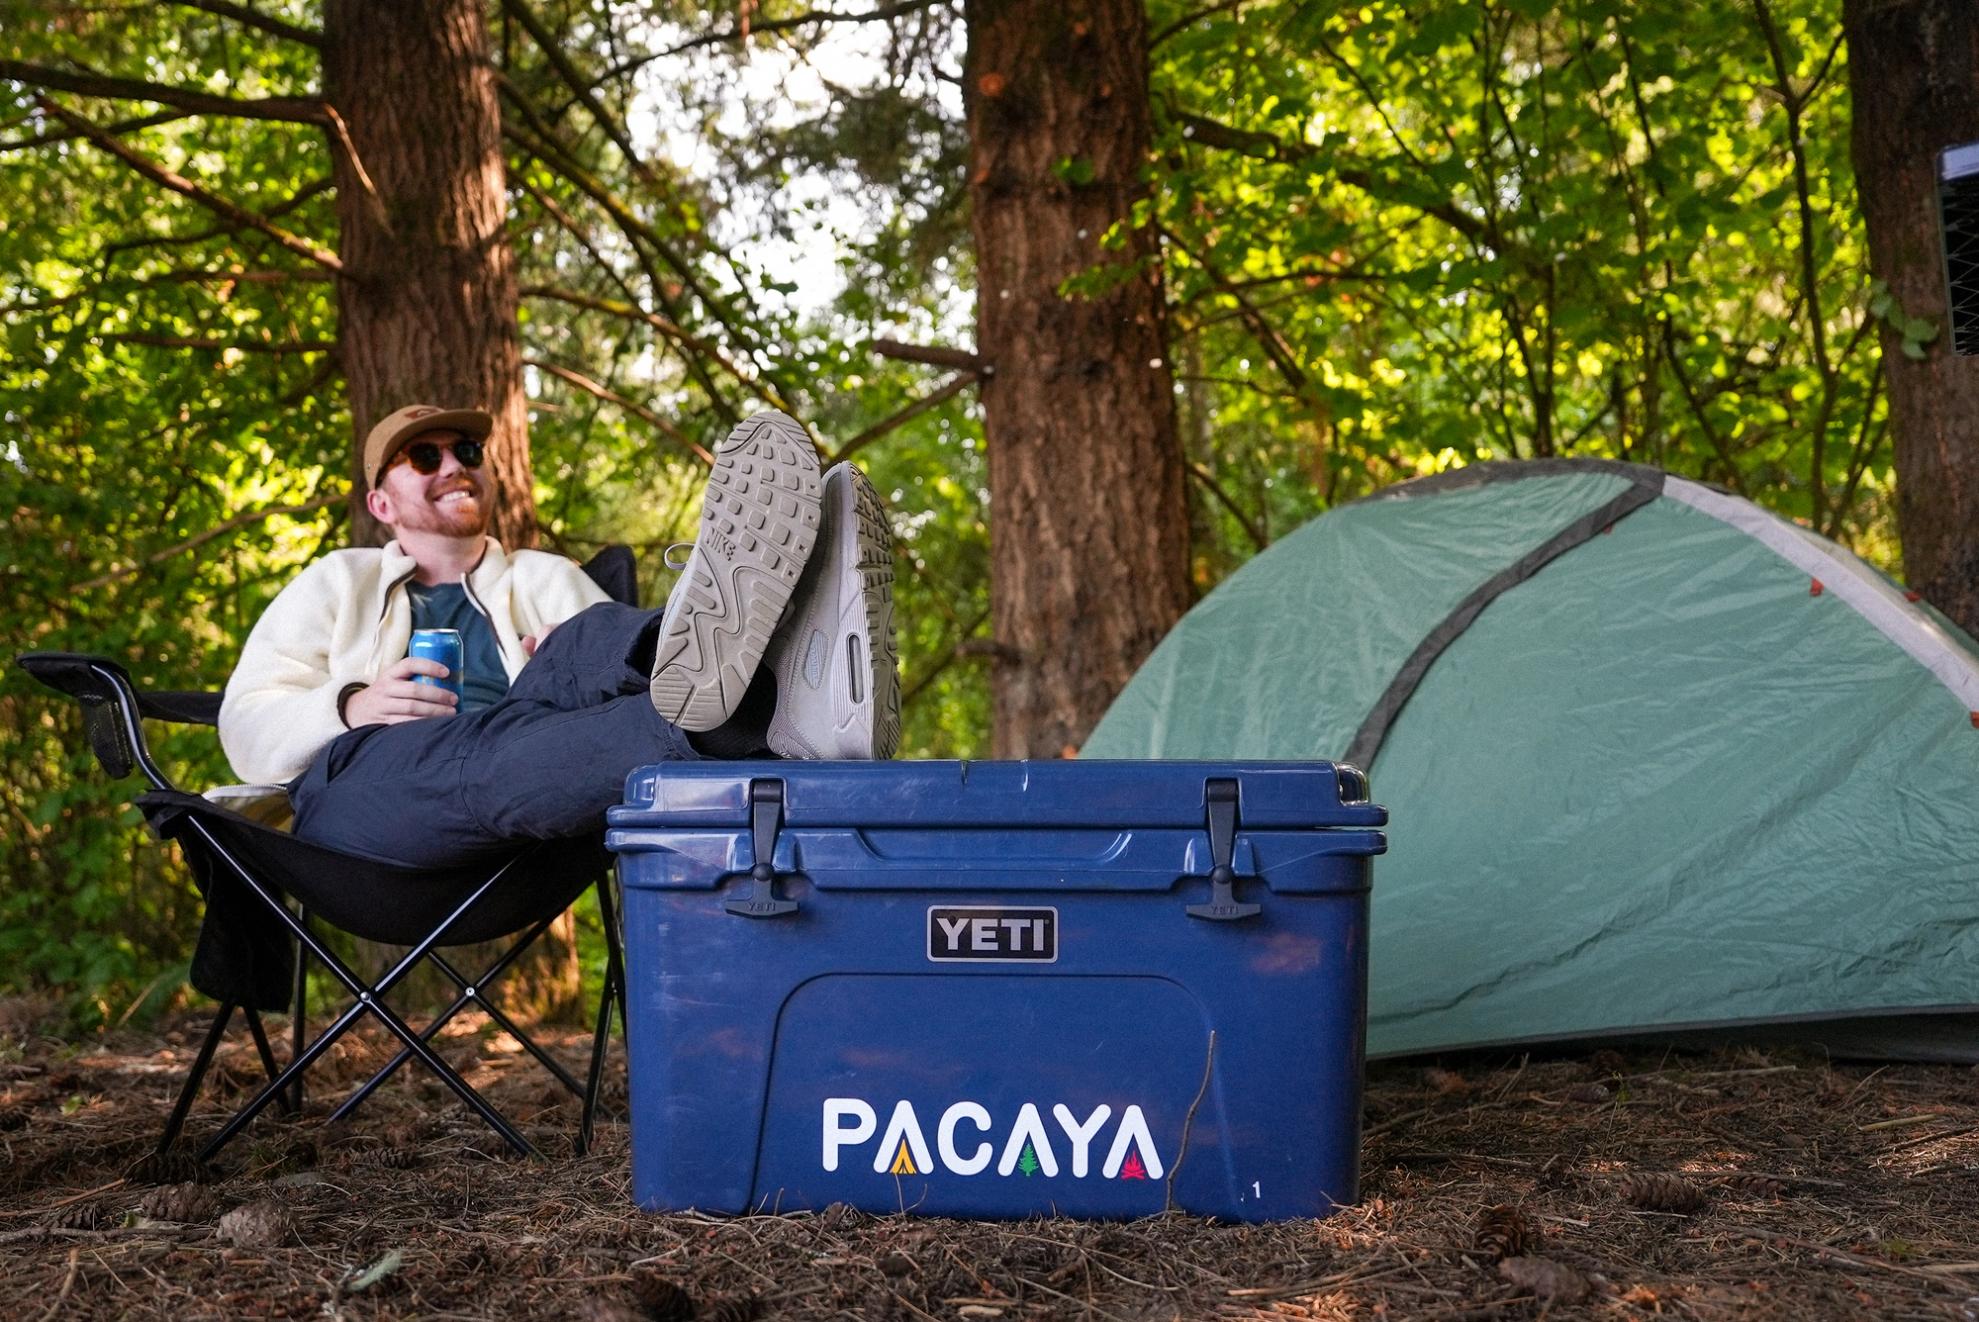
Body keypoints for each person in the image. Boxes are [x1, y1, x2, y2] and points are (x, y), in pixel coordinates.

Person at [217, 404, 899, 870]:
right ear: (380, 504)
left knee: (586, 639)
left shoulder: (545, 578)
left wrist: (560, 672)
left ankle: (780, 685)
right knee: (495, 747)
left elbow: (651, 699)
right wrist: (349, 705)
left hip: (540, 795)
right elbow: (244, 726)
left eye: (468, 450)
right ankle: (783, 699)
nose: (453, 464)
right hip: (366, 803)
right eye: (423, 457)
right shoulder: (339, 581)